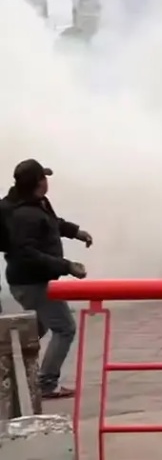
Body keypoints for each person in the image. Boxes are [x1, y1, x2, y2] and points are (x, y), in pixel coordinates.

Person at [2, 159, 93, 399]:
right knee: (65, 328)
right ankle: (46, 383)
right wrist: (67, 266)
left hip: (30, 281)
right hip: (32, 284)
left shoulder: (35, 204)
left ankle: (11, 371)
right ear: (38, 183)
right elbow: (28, 253)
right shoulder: (25, 215)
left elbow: (52, 224)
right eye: (44, 177)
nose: (47, 181)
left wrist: (75, 232)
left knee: (35, 328)